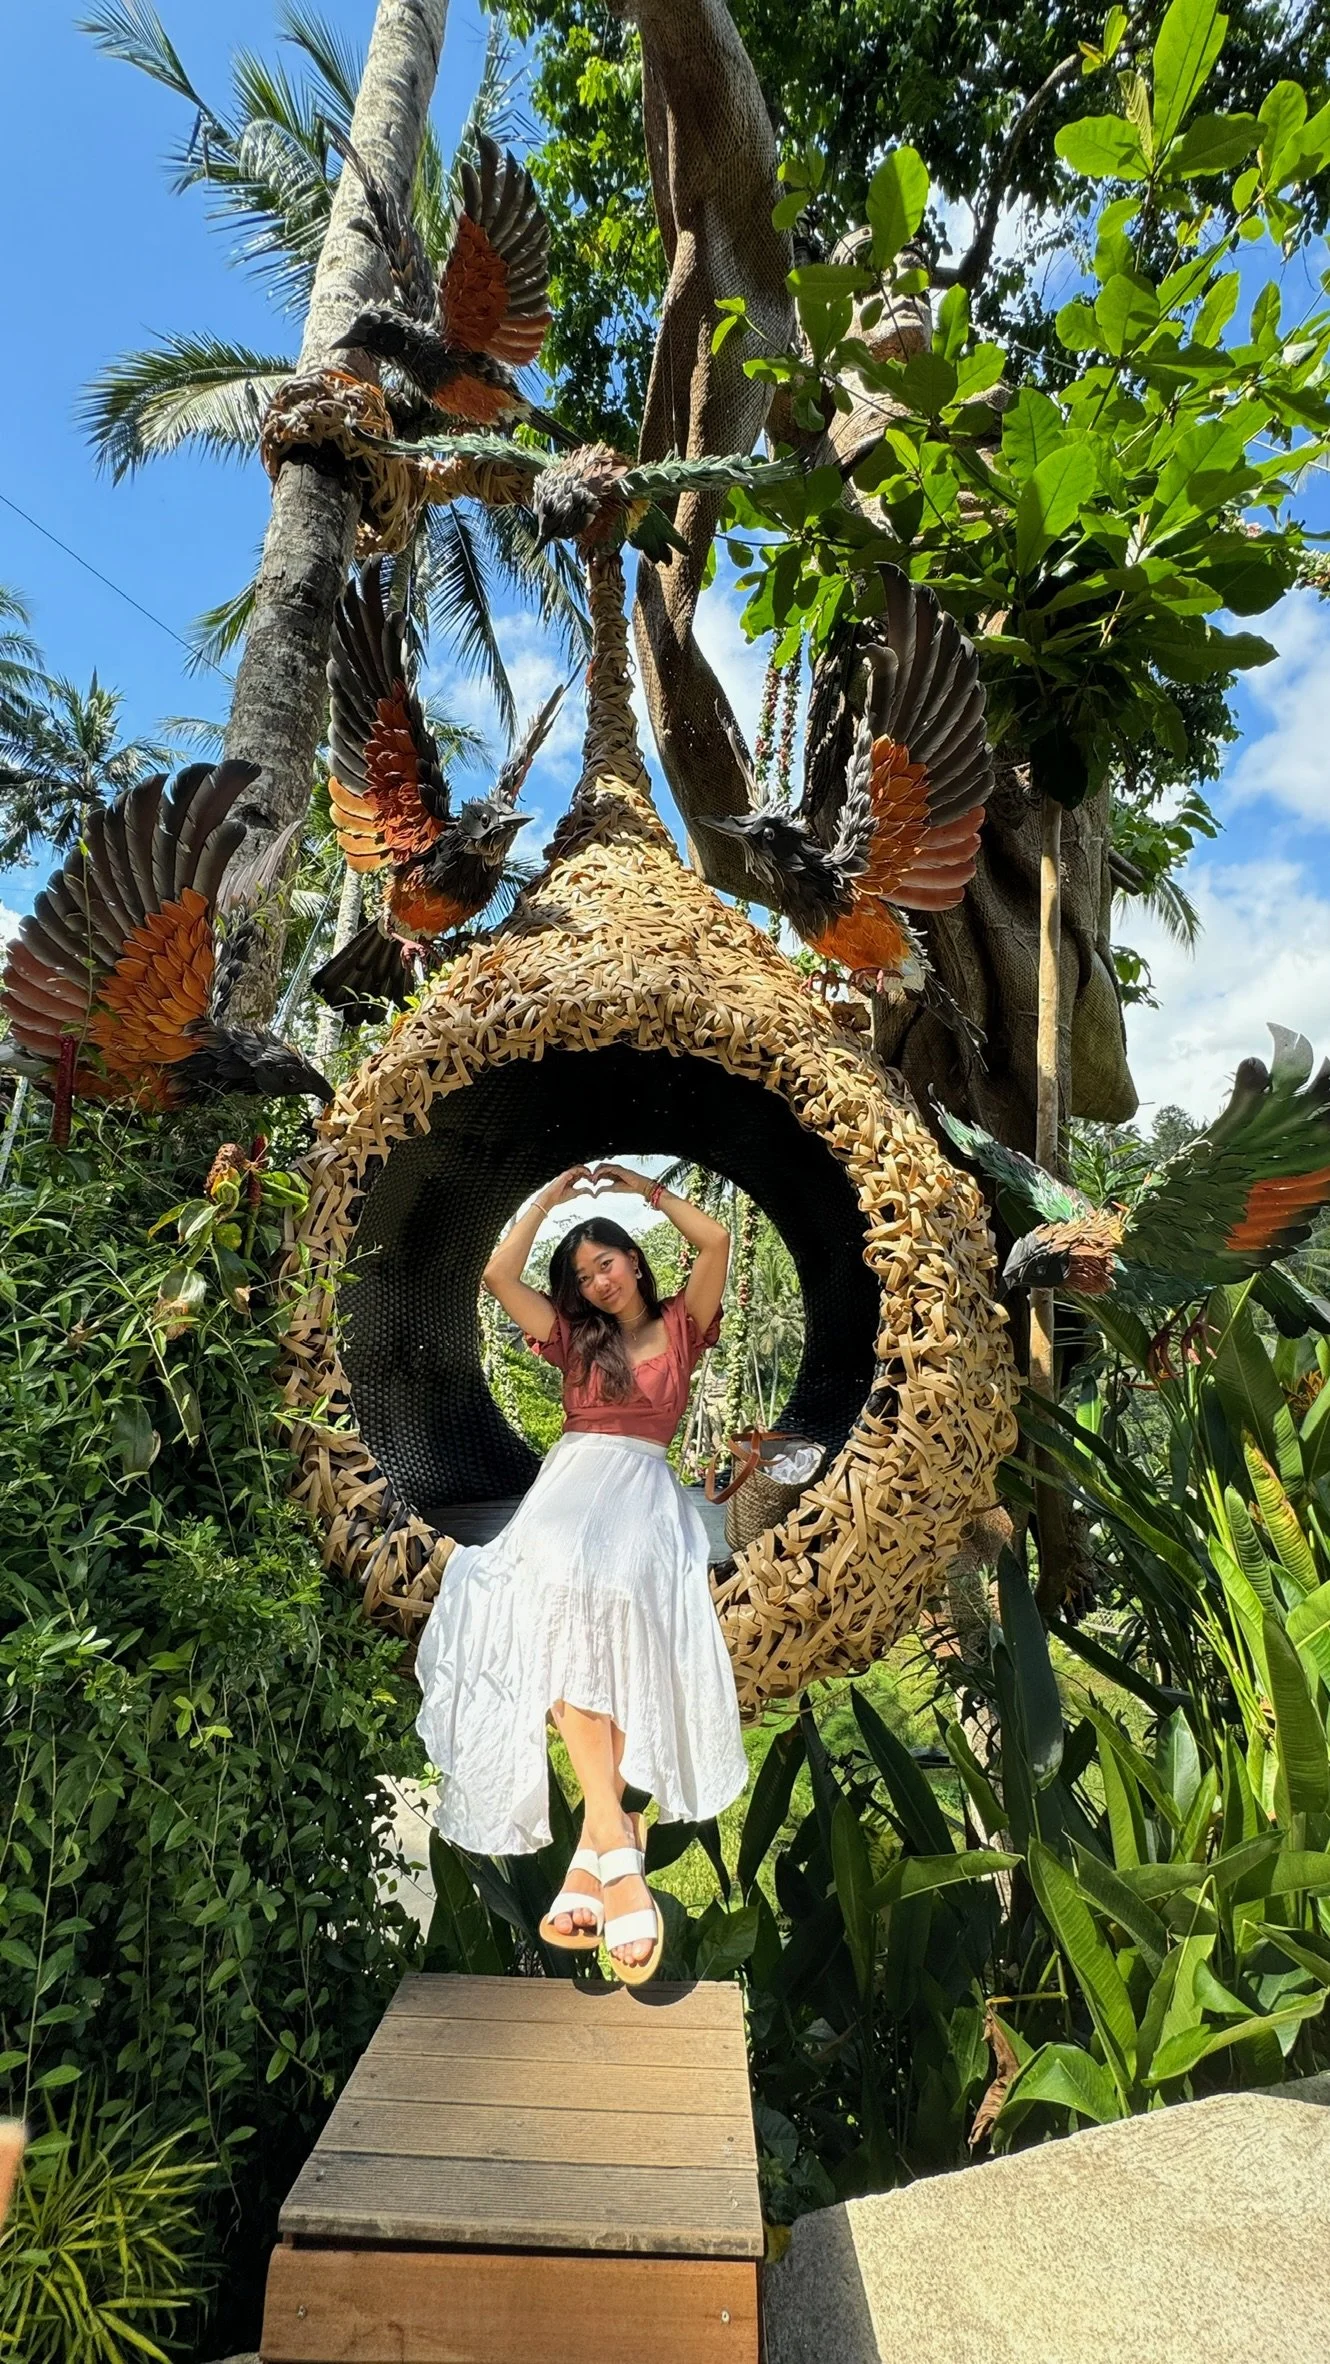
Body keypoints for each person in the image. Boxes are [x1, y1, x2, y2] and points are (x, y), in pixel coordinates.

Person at [414, 1160, 748, 1985]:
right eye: (581, 1275)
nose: (596, 1282)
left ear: (634, 1261)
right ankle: (615, 1838)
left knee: (629, 1595)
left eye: (606, 1264)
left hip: (641, 1483)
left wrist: (641, 1187)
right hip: (567, 1485)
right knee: (547, 1595)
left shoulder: (682, 1324)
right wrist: (549, 1199)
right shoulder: (572, 1339)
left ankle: (597, 1850)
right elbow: (498, 1274)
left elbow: (717, 1239)